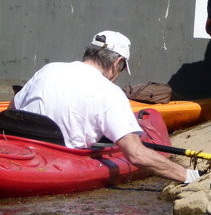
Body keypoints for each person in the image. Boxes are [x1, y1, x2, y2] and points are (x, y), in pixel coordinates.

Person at [10, 31, 199, 184]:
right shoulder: (111, 93)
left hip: (18, 146)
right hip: (58, 159)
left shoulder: (48, 69)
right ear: (118, 62)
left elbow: (12, 110)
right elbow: (136, 154)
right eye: (122, 68)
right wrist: (188, 175)